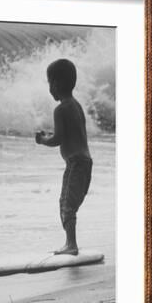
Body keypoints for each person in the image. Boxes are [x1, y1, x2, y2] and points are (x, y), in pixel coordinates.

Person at [35, 58, 92, 256]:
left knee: (67, 204)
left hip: (76, 163)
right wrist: (50, 135)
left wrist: (43, 140)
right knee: (67, 203)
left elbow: (58, 139)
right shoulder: (76, 105)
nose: (49, 87)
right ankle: (70, 242)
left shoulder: (60, 109)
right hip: (85, 163)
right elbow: (72, 133)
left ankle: (71, 244)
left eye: (49, 82)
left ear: (57, 84)